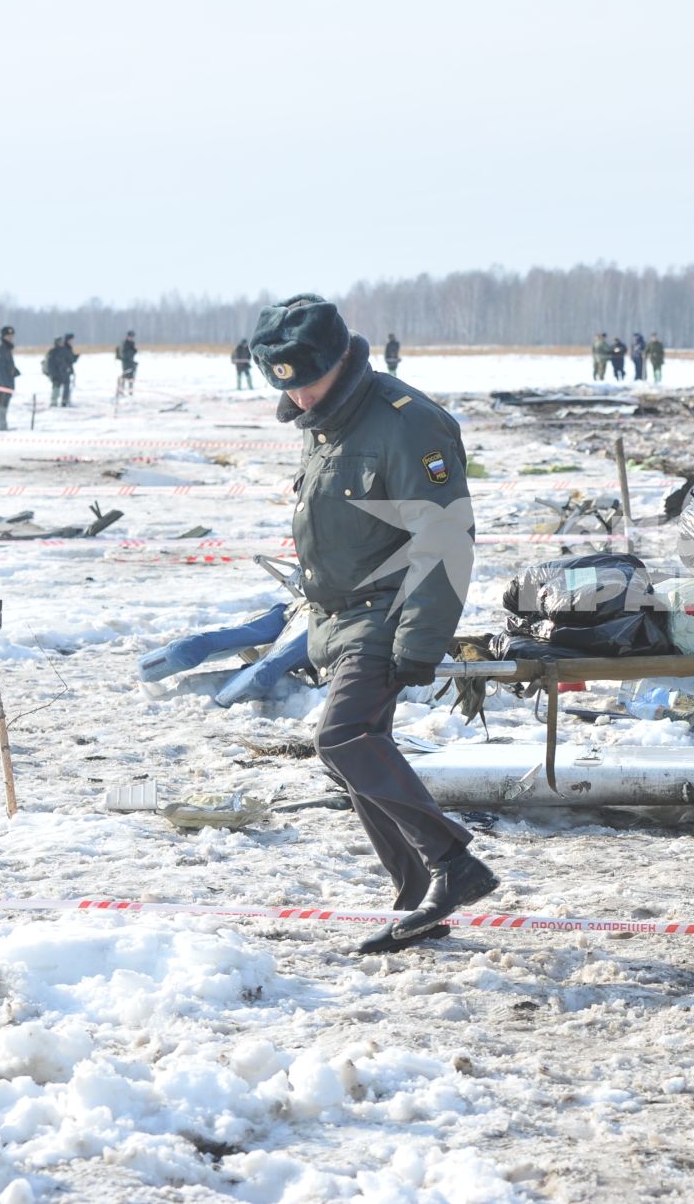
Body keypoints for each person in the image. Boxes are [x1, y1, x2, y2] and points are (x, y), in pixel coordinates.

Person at [248, 294, 498, 953]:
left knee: (344, 737)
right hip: (342, 616)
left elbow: (446, 537)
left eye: (306, 381)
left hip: (390, 613)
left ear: (338, 361)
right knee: (354, 752)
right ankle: (417, 896)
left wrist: (420, 641)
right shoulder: (325, 422)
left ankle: (452, 865)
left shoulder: (406, 423)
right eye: (286, 384)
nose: (297, 397)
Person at [0, 325, 19, 430]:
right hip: (1, 383)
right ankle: (0, 424)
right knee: (1, 402)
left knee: (5, 402)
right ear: (3, 336)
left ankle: (3, 424)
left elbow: (8, 365)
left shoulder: (7, 348)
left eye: (12, 336)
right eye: (8, 336)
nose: (11, 338)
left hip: (8, 382)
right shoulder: (0, 349)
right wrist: (3, 383)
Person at [44, 337, 68, 406]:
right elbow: (50, 365)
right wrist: (53, 375)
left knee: (62, 387)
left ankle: (63, 401)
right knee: (56, 388)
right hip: (55, 374)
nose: (61, 343)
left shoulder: (63, 351)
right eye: (60, 342)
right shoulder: (52, 352)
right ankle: (53, 403)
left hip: (61, 373)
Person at [117, 330, 139, 396]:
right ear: (128, 336)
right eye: (130, 336)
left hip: (131, 362)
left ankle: (130, 392)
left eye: (132, 336)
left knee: (131, 378)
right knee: (125, 377)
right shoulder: (125, 343)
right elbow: (125, 354)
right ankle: (121, 391)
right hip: (125, 363)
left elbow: (132, 352)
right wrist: (132, 352)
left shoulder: (132, 343)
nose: (131, 338)